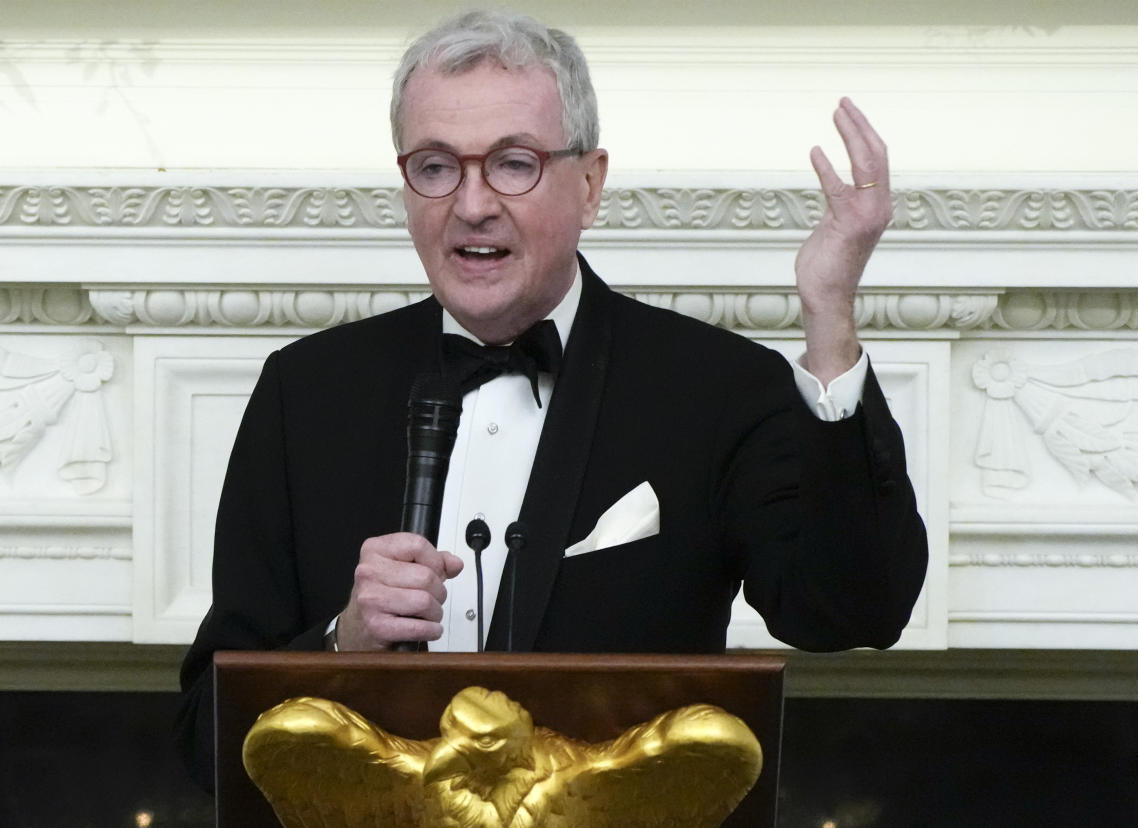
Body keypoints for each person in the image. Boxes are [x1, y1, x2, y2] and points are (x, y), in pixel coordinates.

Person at [176, 9, 927, 790]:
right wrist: (341, 645)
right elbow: (207, 737)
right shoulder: (307, 392)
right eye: (435, 167)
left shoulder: (717, 387)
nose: (471, 204)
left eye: (513, 164)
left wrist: (831, 316)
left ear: (591, 183)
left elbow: (853, 611)